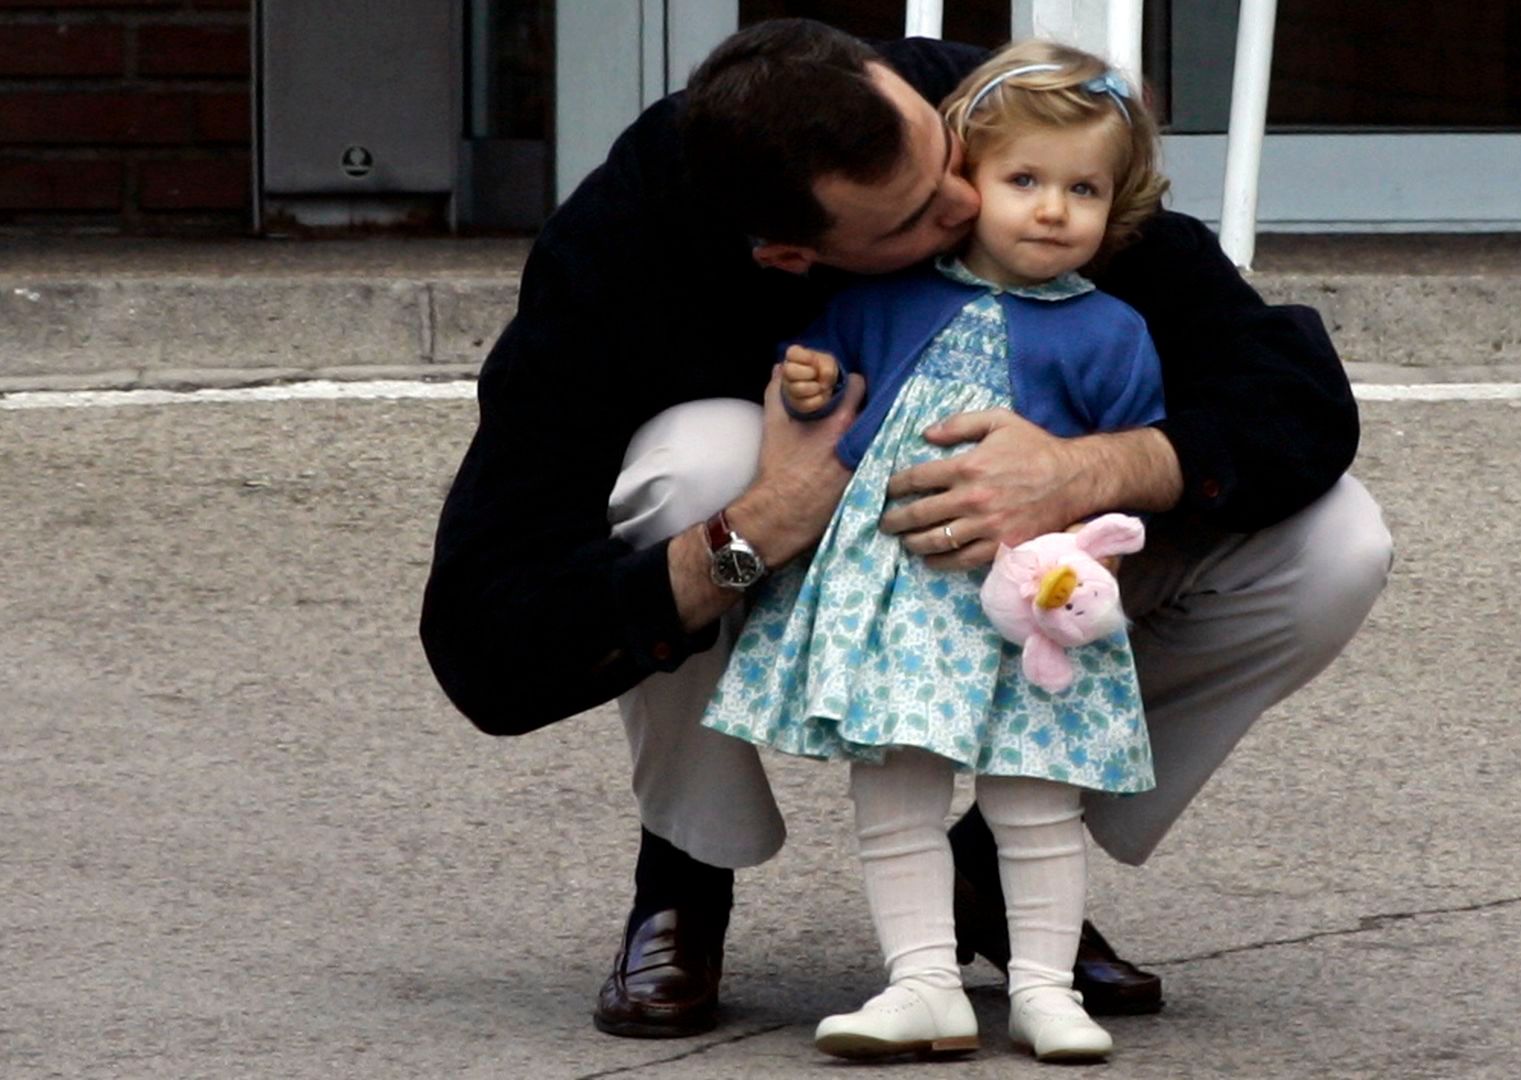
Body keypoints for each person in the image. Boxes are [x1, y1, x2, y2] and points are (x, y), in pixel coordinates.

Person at [419, 17, 1392, 1042]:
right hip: (799, 550)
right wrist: (759, 524)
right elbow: (486, 642)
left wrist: (1084, 469)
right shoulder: (623, 248)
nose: (971, 200)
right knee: (696, 460)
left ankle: (1003, 862)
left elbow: (1292, 391)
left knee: (1337, 546)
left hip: (1027, 562)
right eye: (917, 217)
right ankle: (686, 866)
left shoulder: (982, 118)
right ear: (794, 255)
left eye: (949, 162)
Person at [699, 41, 1167, 1063]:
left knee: (1039, 798)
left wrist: (1092, 582)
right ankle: (922, 984)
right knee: (898, 790)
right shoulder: (886, 296)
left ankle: (1045, 989)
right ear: (973, 176)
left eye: (1083, 188)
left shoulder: (1115, 333)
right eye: (1024, 181)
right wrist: (812, 377)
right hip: (901, 598)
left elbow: (1125, 467)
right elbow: (817, 373)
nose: (1052, 209)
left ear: (1117, 202)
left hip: (1028, 604)